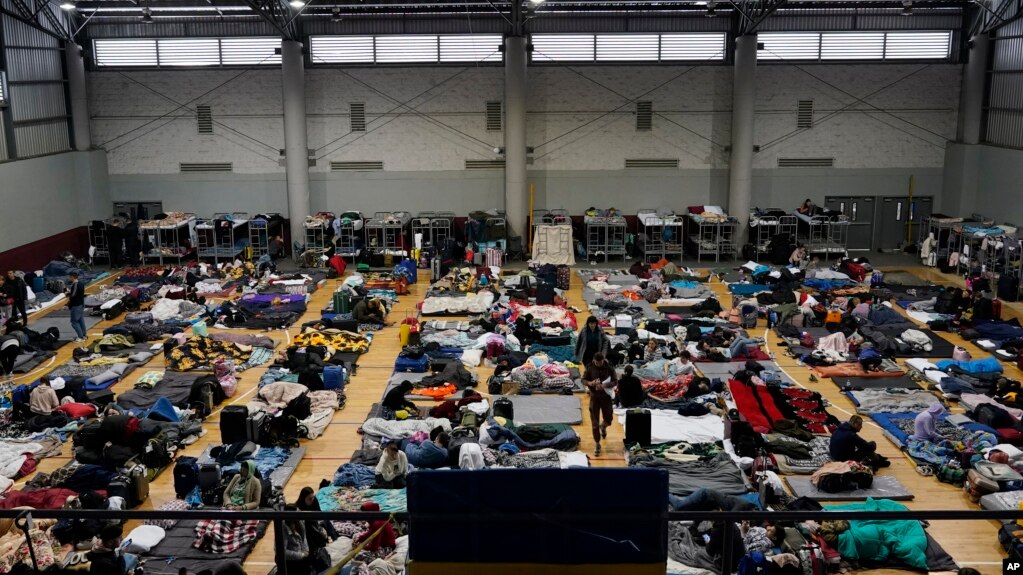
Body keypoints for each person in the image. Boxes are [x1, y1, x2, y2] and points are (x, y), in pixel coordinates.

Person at [583, 352, 617, 456]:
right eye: (597, 362)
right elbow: (583, 379)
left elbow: (615, 381)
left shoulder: (609, 367)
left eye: (600, 362)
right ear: (594, 360)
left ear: (603, 360)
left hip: (606, 397)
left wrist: (605, 385)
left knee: (609, 418)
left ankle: (604, 427)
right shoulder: (589, 367)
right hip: (594, 398)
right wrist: (591, 383)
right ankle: (597, 443)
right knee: (594, 423)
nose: (598, 364)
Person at [669, 488, 756, 512]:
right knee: (678, 507)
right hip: (705, 495)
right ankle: (664, 493)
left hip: (707, 503)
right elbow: (730, 518)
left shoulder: (745, 507)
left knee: (688, 513)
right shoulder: (743, 504)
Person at [282, 505, 312, 575]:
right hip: (291, 562)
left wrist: (306, 550)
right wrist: (301, 555)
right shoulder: (283, 528)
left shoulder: (300, 522)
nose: (300, 514)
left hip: (302, 557)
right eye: (298, 513)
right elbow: (282, 552)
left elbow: (304, 537)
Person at [66, 272, 87, 342]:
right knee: (81, 320)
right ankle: (84, 335)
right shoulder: (81, 284)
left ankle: (80, 337)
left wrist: (68, 295)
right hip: (81, 304)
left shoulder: (76, 284)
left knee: (74, 321)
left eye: (69, 277)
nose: (69, 278)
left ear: (72, 277)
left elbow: (73, 295)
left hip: (76, 305)